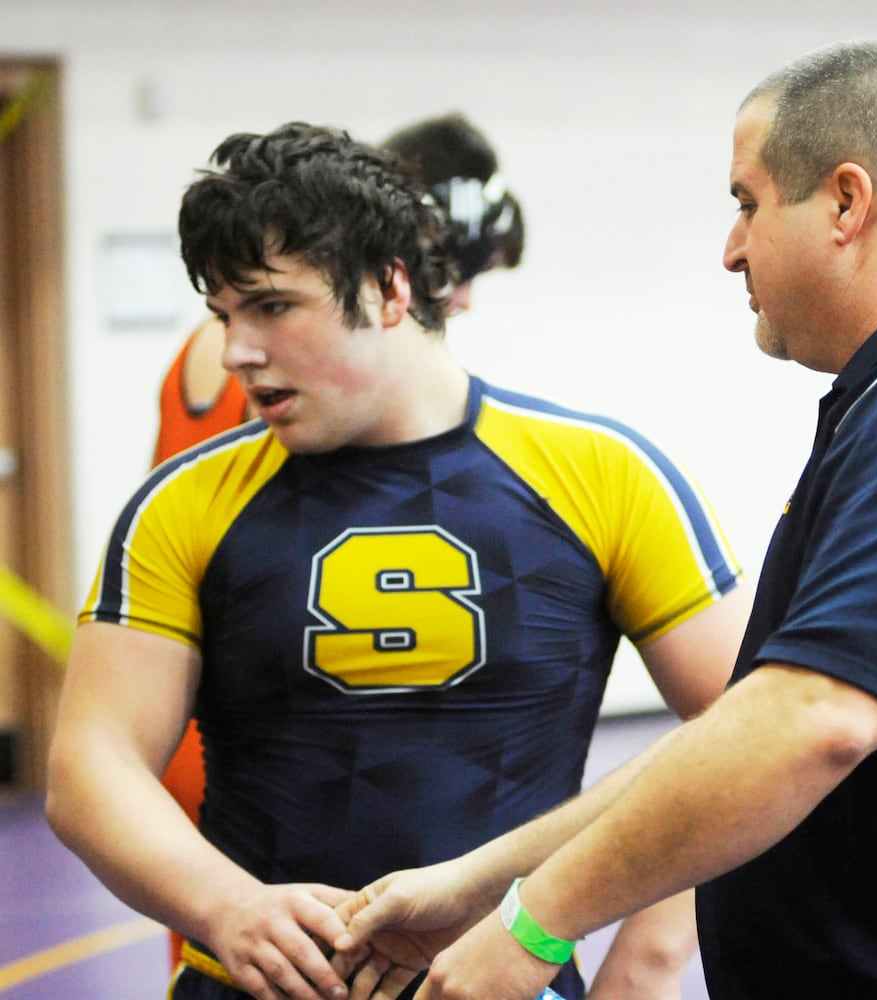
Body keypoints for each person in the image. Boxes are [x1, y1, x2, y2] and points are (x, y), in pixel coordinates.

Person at [331, 39, 877, 1000]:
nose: (729, 248)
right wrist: (484, 886)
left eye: (745, 203)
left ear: (845, 201)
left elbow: (811, 722)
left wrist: (537, 924)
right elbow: (745, 725)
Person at [45, 120, 751, 1000]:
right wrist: (226, 906)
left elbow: (743, 731)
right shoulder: (181, 503)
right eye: (223, 316)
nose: (236, 353)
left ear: (387, 289)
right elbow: (90, 763)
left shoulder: (602, 475)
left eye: (270, 306)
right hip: (246, 984)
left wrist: (644, 964)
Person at [149, 113, 537, 977]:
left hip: (211, 681)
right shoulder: (284, 374)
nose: (463, 303)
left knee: (239, 949)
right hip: (251, 707)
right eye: (461, 280)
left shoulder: (215, 353)